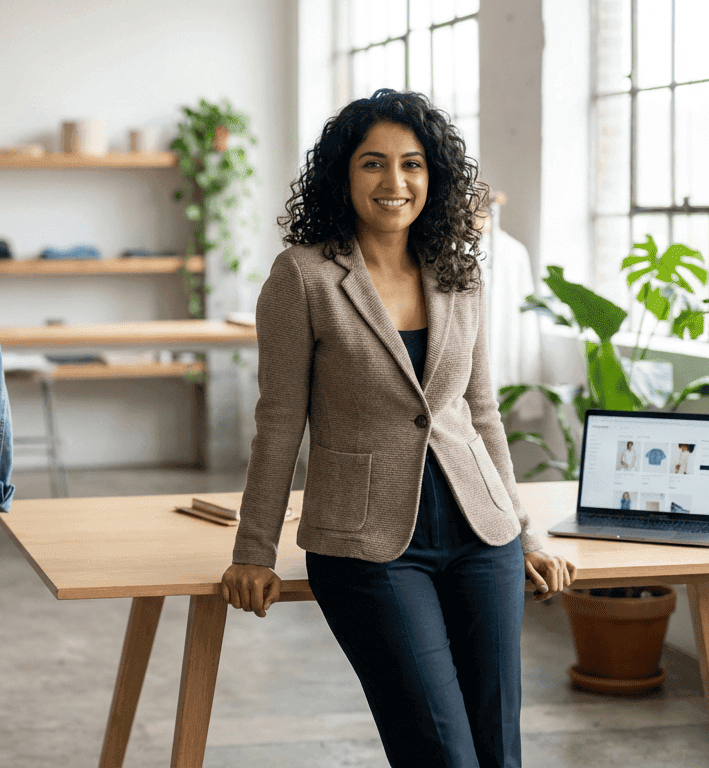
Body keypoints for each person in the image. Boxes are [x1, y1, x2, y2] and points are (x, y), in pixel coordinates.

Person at [221, 89, 576, 768]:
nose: (395, 182)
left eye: (412, 164)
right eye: (373, 164)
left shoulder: (460, 272)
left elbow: (481, 411)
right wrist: (253, 551)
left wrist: (525, 531)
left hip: (482, 535)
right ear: (343, 175)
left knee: (499, 750)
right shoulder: (303, 277)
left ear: (432, 176)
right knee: (439, 751)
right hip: (369, 545)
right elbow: (277, 424)